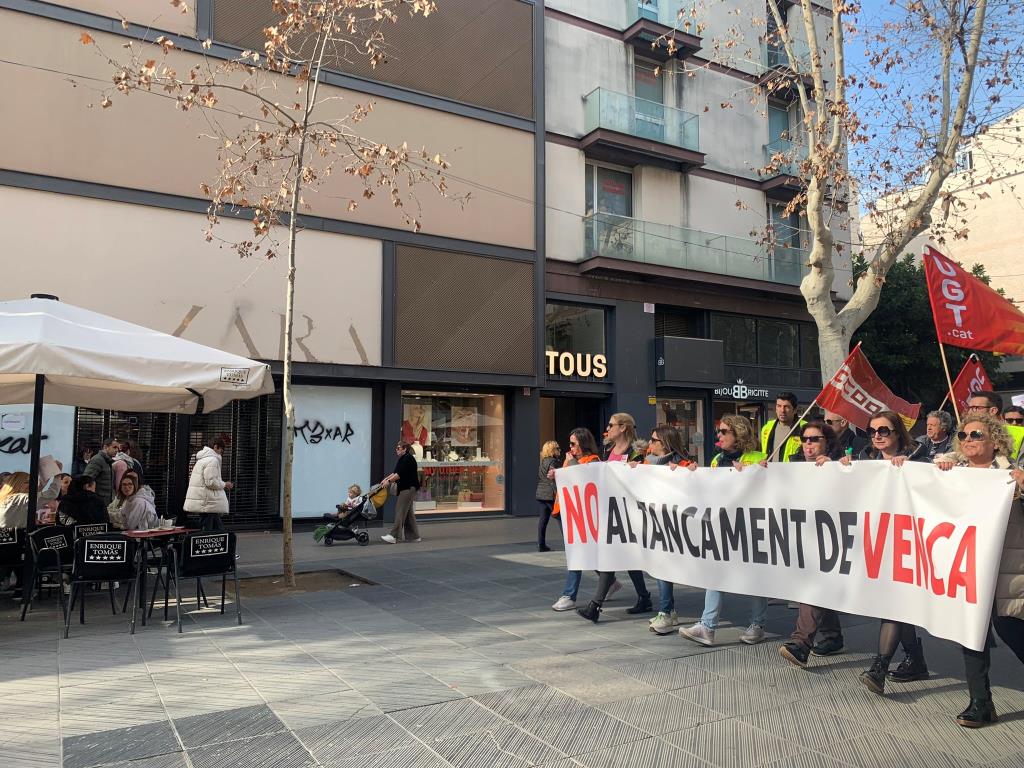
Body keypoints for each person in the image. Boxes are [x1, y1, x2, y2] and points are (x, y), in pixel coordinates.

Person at [934, 413, 1024, 727]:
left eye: (977, 435)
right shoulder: (949, 471)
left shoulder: (1010, 474)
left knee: (1012, 629)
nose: (969, 440)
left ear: (995, 441)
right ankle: (980, 703)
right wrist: (940, 469)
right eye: (963, 436)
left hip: (1003, 570)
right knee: (972, 633)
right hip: (966, 570)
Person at [842, 411, 930, 694]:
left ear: (897, 433)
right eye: (872, 431)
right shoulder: (866, 463)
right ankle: (915, 659)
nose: (877, 436)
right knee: (894, 602)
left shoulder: (916, 460)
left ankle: (879, 667)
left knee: (893, 602)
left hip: (906, 542)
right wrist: (840, 468)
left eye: (884, 430)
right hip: (876, 543)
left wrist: (911, 468)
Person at [680, 414, 769, 646]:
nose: (718, 435)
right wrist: (693, 475)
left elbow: (768, 488)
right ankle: (707, 627)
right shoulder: (717, 460)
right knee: (715, 572)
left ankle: (757, 624)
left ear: (738, 434)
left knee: (755, 574)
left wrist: (754, 472)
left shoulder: (757, 457)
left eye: (723, 431)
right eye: (719, 431)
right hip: (723, 526)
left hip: (750, 527)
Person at [779, 421, 846, 666]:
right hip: (804, 536)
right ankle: (832, 636)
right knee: (816, 585)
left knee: (814, 585)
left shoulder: (840, 466)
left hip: (832, 538)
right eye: (804, 439)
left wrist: (835, 471)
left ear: (826, 442)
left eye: (814, 439)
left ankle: (801, 643)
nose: (808, 443)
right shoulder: (794, 467)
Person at [576, 414, 654, 622]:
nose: (607, 428)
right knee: (627, 556)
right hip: (611, 510)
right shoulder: (608, 451)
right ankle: (644, 598)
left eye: (611, 425)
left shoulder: (636, 452)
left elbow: (641, 480)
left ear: (623, 428)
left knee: (611, 554)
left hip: (628, 511)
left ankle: (595, 606)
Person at [643, 426, 695, 635]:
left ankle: (666, 612)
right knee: (661, 566)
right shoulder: (647, 463)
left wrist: (690, 473)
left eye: (653, 439)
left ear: (664, 443)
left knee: (664, 567)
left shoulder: (683, 464)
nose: (650, 443)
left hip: (676, 525)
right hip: (657, 522)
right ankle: (668, 610)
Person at [552, 428, 607, 611]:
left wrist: (570, 462)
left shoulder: (592, 461)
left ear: (583, 443)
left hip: (580, 514)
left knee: (575, 553)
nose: (571, 447)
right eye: (570, 444)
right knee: (581, 551)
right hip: (564, 510)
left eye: (574, 444)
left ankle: (569, 594)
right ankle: (610, 580)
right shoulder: (571, 460)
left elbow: (583, 479)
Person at [183, 438, 233, 531]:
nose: (221, 453)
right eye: (221, 451)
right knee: (210, 527)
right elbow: (211, 482)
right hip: (208, 500)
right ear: (215, 447)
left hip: (203, 498)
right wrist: (225, 484)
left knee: (209, 523)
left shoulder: (202, 459)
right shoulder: (212, 460)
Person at [380, 441, 421, 544]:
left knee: (400, 510)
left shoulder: (407, 458)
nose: (396, 449)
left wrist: (388, 482)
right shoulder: (403, 459)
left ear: (404, 449)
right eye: (396, 448)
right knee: (408, 513)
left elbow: (399, 475)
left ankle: (394, 536)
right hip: (407, 488)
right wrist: (386, 479)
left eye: (398, 448)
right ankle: (414, 536)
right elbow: (395, 473)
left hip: (408, 488)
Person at [968, 391, 1024, 461]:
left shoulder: (1018, 434)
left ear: (993, 411)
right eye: (969, 408)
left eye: (975, 408)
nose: (969, 412)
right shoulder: (965, 433)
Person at [761, 393, 804, 462]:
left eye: (786, 407)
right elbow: (763, 453)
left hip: (793, 471)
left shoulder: (805, 428)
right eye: (779, 406)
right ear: (775, 408)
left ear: (795, 410)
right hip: (769, 471)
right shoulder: (766, 428)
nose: (782, 410)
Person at [536, 441, 560, 552]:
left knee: (543, 520)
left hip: (541, 493)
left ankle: (541, 544)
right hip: (550, 495)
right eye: (557, 448)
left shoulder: (542, 462)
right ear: (552, 450)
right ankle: (570, 543)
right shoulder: (553, 462)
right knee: (560, 518)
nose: (559, 450)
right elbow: (553, 478)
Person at [82, 437, 118, 504]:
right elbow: (86, 479)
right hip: (98, 501)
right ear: (105, 447)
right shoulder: (98, 460)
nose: (117, 450)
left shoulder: (107, 461)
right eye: (114, 447)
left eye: (117, 448)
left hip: (105, 502)